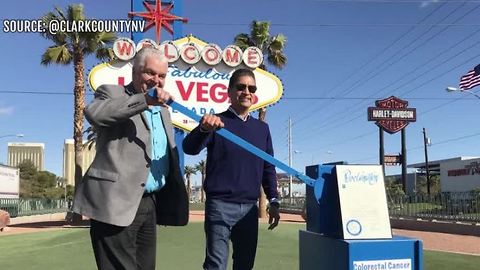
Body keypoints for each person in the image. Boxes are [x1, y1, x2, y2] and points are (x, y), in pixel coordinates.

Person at [73, 47, 188, 270]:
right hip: (114, 202)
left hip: (149, 203)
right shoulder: (112, 93)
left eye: (162, 75)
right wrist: (144, 100)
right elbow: (95, 114)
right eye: (150, 73)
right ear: (135, 72)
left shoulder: (164, 110)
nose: (156, 80)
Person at [182, 68, 281, 270]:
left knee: (244, 265)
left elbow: (268, 167)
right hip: (220, 206)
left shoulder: (262, 129)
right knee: (216, 265)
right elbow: (189, 148)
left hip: (249, 209)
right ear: (229, 91)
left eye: (251, 88)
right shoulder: (216, 122)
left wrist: (274, 200)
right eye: (241, 87)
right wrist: (203, 129)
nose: (247, 91)